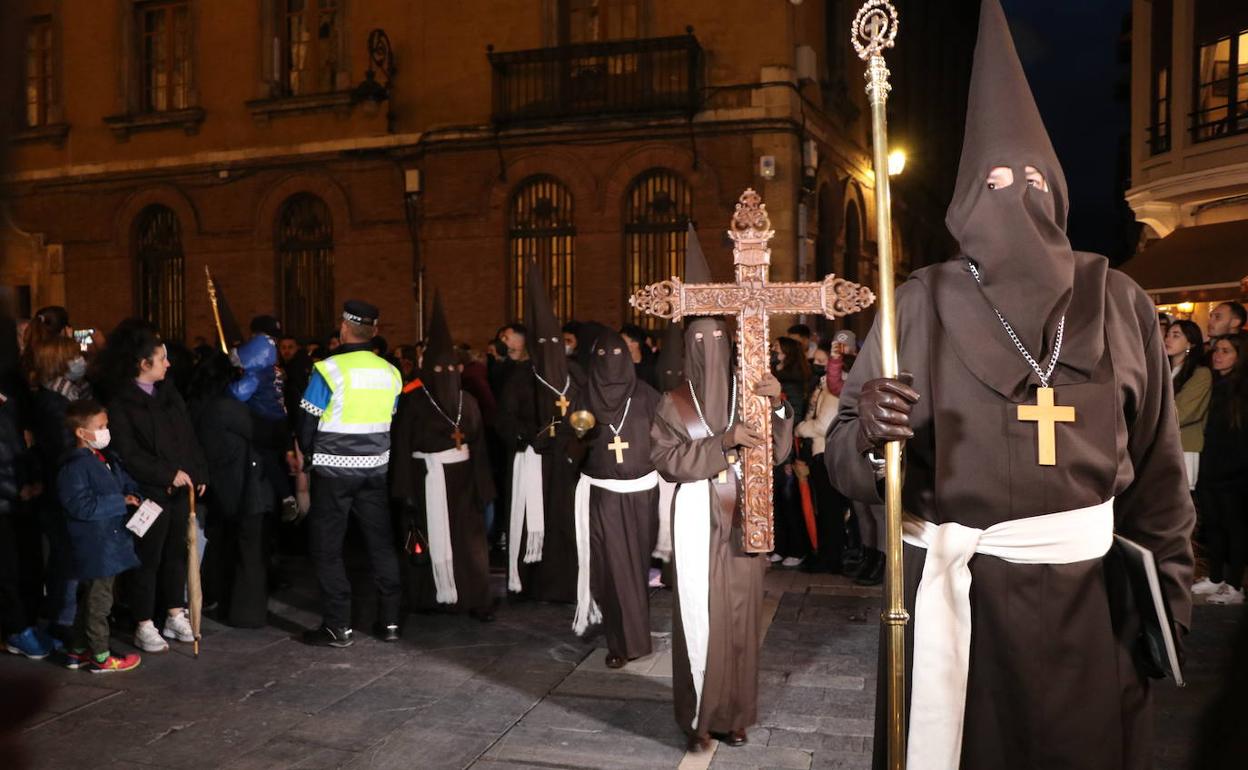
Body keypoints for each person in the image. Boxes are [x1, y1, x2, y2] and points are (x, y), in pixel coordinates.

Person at [826, 4, 1194, 768]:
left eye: (1030, 178)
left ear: (1056, 187)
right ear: (965, 196)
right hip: (964, 614)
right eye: (993, 180)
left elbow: (1159, 477)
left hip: (1090, 619)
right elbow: (843, 459)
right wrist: (866, 434)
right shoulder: (919, 300)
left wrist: (1170, 605)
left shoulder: (1118, 300)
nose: (1014, 195)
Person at [296, 300, 404, 646]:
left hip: (334, 471)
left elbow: (308, 420)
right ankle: (389, 622)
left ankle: (338, 625)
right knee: (380, 544)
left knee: (328, 547)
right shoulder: (391, 371)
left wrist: (310, 455)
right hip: (375, 469)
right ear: (374, 331)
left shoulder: (329, 369)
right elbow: (391, 415)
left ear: (344, 328)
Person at [98, 320, 208, 654]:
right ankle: (143, 621)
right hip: (149, 491)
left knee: (177, 552)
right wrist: (166, 473)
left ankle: (174, 611)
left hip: (179, 489)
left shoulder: (169, 394)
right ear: (143, 364)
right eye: (161, 359)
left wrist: (197, 471)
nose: (168, 364)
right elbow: (128, 452)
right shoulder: (121, 402)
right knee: (148, 558)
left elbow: (187, 437)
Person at [391, 294, 496, 621]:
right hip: (425, 481)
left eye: (450, 368)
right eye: (438, 369)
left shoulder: (468, 400)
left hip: (464, 483)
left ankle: (473, 597)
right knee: (428, 537)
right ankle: (430, 597)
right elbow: (403, 445)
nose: (445, 374)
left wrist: (483, 487)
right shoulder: (413, 399)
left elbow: (479, 446)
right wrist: (404, 490)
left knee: (469, 544)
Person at [565, 328, 661, 667]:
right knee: (612, 571)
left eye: (617, 355)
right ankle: (626, 642)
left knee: (634, 568)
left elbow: (665, 441)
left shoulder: (648, 396)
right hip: (603, 495)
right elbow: (571, 449)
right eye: (603, 357)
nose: (611, 364)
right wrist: (578, 435)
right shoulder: (583, 398)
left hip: (643, 495)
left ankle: (632, 634)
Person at [496, 262, 582, 603]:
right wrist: (529, 435)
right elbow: (503, 419)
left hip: (568, 466)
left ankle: (566, 583)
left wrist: (574, 441)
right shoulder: (520, 377)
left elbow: (589, 415)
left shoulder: (575, 375)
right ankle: (530, 582)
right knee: (534, 518)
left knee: (564, 523)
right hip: (533, 462)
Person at [57, 399, 142, 673]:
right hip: (96, 544)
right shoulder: (75, 467)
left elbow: (122, 480)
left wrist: (133, 495)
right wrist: (121, 501)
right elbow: (81, 505)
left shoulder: (103, 458)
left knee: (95, 597)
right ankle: (101, 655)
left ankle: (78, 650)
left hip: (109, 541)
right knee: (99, 601)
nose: (106, 431)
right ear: (81, 432)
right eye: (100, 426)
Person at [189, 352, 271, 627]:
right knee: (249, 551)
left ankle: (222, 601)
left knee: (224, 547)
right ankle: (247, 613)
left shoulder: (196, 404)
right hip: (243, 486)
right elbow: (262, 432)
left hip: (219, 487)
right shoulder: (225, 407)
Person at [26, 336, 91, 639]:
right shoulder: (53, 403)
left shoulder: (68, 395)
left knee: (65, 558)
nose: (81, 360)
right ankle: (61, 621)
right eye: (75, 355)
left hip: (61, 489)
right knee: (67, 559)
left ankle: (59, 616)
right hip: (59, 492)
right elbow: (59, 450)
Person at [1194, 333, 1248, 605]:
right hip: (1210, 469)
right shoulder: (1214, 383)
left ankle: (1235, 586)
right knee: (1213, 526)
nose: (1218, 355)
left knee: (1235, 530)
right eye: (1216, 350)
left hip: (1234, 475)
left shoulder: (1241, 390)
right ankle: (1215, 578)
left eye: (1226, 351)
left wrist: (1232, 470)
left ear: (1240, 356)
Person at [795, 348, 847, 574]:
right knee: (825, 510)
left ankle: (830, 558)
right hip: (821, 454)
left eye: (821, 361)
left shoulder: (835, 389)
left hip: (827, 455)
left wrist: (801, 428)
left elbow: (823, 426)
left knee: (830, 511)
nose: (815, 363)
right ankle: (825, 554)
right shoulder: (822, 386)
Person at [1165, 320, 1211, 492]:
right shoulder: (1163, 371)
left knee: (1178, 501)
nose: (1168, 339)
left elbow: (1184, 412)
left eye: (1176, 335)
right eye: (1167, 334)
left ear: (1190, 343)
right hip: (1160, 444)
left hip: (1183, 445)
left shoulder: (1200, 374)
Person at [620, 323, 657, 388]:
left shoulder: (653, 367)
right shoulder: (619, 366)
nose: (619, 344)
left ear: (635, 344)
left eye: (622, 341)